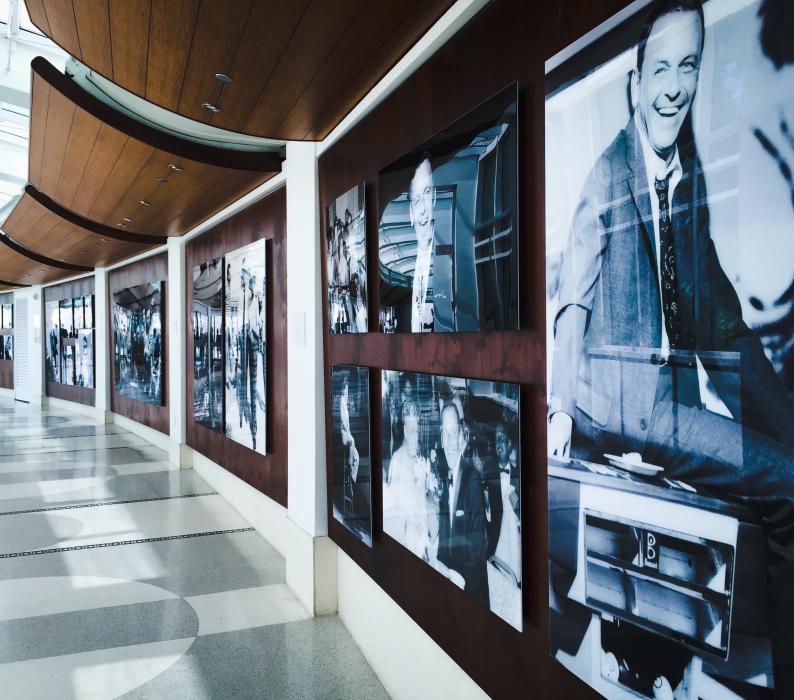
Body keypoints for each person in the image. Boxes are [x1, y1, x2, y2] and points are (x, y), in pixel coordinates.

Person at [547, 0, 794, 690]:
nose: (674, 86)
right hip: (628, 410)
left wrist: (785, 416)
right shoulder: (609, 173)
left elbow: (723, 320)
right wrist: (562, 406)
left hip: (665, 401)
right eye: (661, 68)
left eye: (688, 65)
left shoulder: (688, 176)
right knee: (789, 486)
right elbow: (573, 300)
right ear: (634, 84)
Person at [436, 403, 488, 604]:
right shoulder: (441, 475)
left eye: (454, 432)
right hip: (448, 578)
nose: (449, 442)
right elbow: (444, 538)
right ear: (441, 437)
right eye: (445, 434)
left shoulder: (472, 479)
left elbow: (477, 551)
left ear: (460, 436)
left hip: (469, 589)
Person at [408, 155, 436, 332]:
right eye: (417, 199)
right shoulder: (404, 270)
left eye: (426, 194)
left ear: (434, 199)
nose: (423, 209)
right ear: (410, 213)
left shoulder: (452, 261)